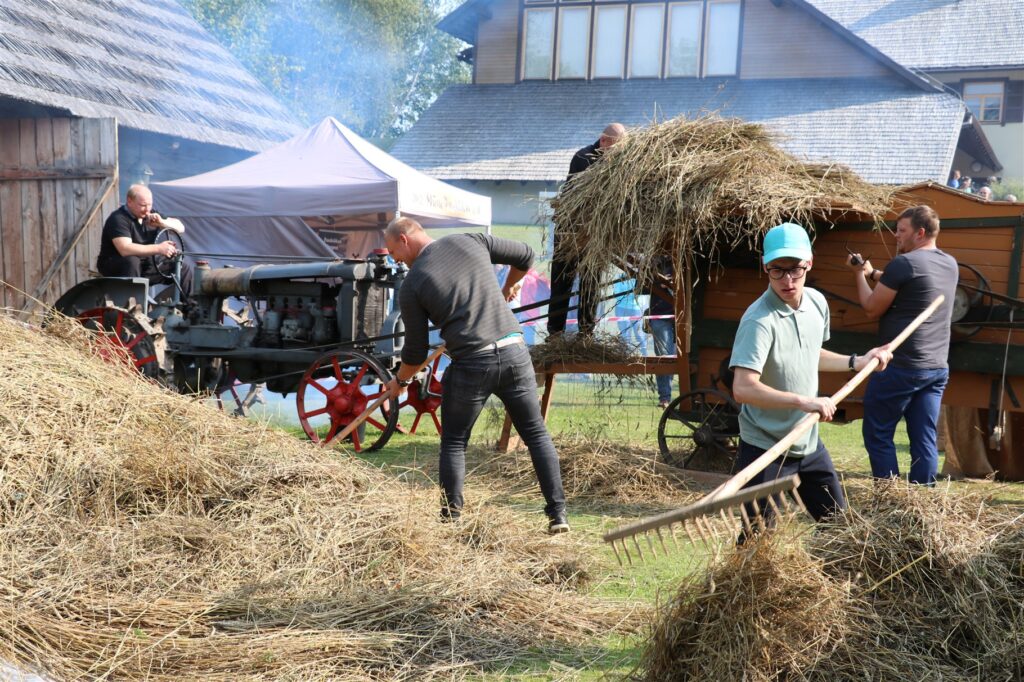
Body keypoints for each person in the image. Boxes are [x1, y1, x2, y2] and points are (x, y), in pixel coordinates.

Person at [382, 217, 569, 534]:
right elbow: (525, 254)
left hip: (472, 363)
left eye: (393, 252)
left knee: (454, 442)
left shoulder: (413, 285)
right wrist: (509, 286)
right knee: (536, 434)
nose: (395, 260)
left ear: (404, 238)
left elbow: (414, 352)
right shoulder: (471, 240)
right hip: (513, 352)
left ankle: (451, 521)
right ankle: (558, 516)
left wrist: (399, 382)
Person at [730, 223, 892, 527]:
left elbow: (807, 352)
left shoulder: (817, 303)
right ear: (765, 267)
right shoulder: (758, 321)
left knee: (838, 527)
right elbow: (743, 387)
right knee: (758, 541)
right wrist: (804, 401)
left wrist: (856, 362)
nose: (787, 280)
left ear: (809, 264)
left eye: (795, 269)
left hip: (807, 443)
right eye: (777, 270)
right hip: (766, 446)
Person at [846, 205, 958, 485]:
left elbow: (872, 308)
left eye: (902, 231)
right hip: (935, 368)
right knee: (923, 438)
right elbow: (912, 281)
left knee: (879, 433)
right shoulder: (949, 263)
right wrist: (873, 273)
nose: (896, 235)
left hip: (900, 367)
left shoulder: (904, 264)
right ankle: (923, 502)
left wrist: (858, 275)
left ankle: (888, 500)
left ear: (920, 233)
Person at [547, 123, 626, 338]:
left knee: (591, 281)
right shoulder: (584, 158)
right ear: (604, 141)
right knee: (562, 279)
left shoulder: (613, 160)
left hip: (594, 231)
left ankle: (586, 333)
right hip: (571, 230)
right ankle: (555, 333)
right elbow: (593, 192)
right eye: (616, 147)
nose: (619, 152)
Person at [97, 184, 192, 297]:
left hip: (145, 266)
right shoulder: (118, 219)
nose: (147, 209)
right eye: (142, 205)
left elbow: (181, 228)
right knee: (132, 261)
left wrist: (162, 223)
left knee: (181, 268)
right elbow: (125, 249)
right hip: (118, 267)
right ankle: (133, 306)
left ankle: (189, 308)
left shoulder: (152, 215)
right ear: (129, 201)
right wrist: (159, 248)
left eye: (149, 204)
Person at [645, 256, 676, 408]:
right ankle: (665, 398)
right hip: (660, 315)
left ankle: (688, 397)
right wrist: (659, 282)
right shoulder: (655, 262)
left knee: (684, 358)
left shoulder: (686, 260)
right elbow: (642, 286)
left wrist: (672, 283)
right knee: (664, 356)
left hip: (683, 316)